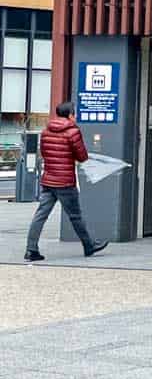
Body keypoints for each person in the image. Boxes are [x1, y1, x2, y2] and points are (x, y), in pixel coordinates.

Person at [24, 102, 108, 261]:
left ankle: (31, 249)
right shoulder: (72, 132)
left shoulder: (46, 131)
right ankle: (89, 246)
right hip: (65, 182)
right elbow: (82, 156)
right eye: (74, 114)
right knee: (75, 216)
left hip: (48, 181)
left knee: (40, 215)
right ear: (70, 115)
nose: (75, 116)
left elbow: (44, 152)